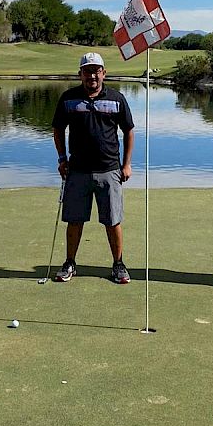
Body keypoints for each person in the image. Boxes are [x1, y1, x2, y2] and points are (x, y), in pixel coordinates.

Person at [52, 52, 135, 284]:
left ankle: (118, 264)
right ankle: (70, 262)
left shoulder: (117, 98)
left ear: (104, 73)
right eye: (87, 71)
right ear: (80, 74)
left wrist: (126, 164)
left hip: (109, 169)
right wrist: (61, 158)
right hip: (78, 170)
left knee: (112, 220)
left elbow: (129, 130)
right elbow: (58, 129)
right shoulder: (69, 99)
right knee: (74, 220)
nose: (92, 75)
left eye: (96, 70)